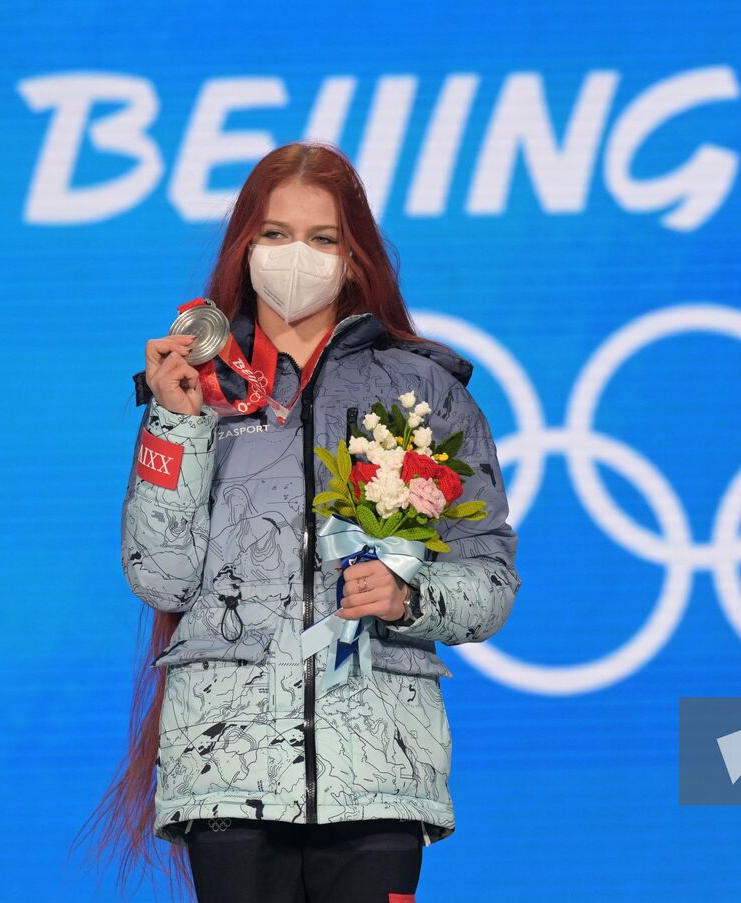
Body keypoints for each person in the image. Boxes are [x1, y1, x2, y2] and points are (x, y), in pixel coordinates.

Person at [97, 142, 518, 902]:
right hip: (229, 773)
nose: (299, 256)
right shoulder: (195, 388)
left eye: (323, 238)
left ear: (355, 258)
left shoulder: (423, 387)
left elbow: (490, 579)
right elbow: (157, 575)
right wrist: (174, 422)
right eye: (276, 234)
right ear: (245, 248)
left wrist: (408, 596)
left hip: (380, 772)